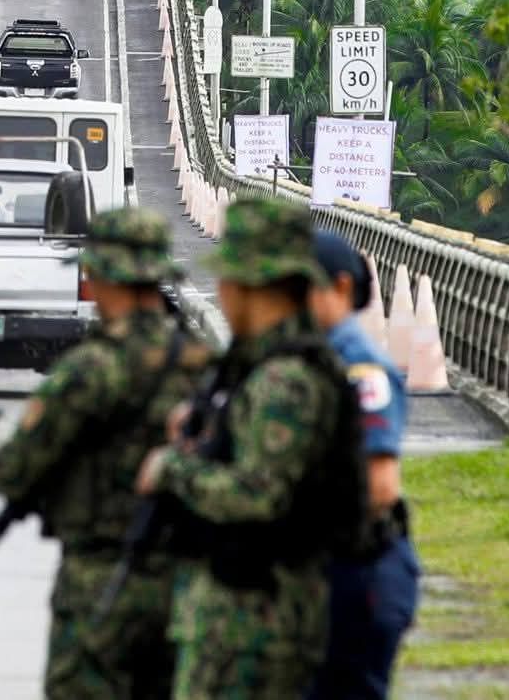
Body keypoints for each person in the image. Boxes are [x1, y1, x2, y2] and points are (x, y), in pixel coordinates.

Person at [0, 208, 214, 698]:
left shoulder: (90, 368)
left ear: (107, 276)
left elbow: (16, 469)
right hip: (185, 587)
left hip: (100, 583)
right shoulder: (203, 365)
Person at [134, 196, 363, 700]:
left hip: (256, 625)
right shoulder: (263, 367)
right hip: (241, 616)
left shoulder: (284, 380)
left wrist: (174, 471)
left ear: (247, 287)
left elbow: (261, 495)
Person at [307, 231, 420, 699]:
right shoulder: (311, 358)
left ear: (341, 288)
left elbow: (380, 486)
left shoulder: (359, 367)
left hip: (359, 574)